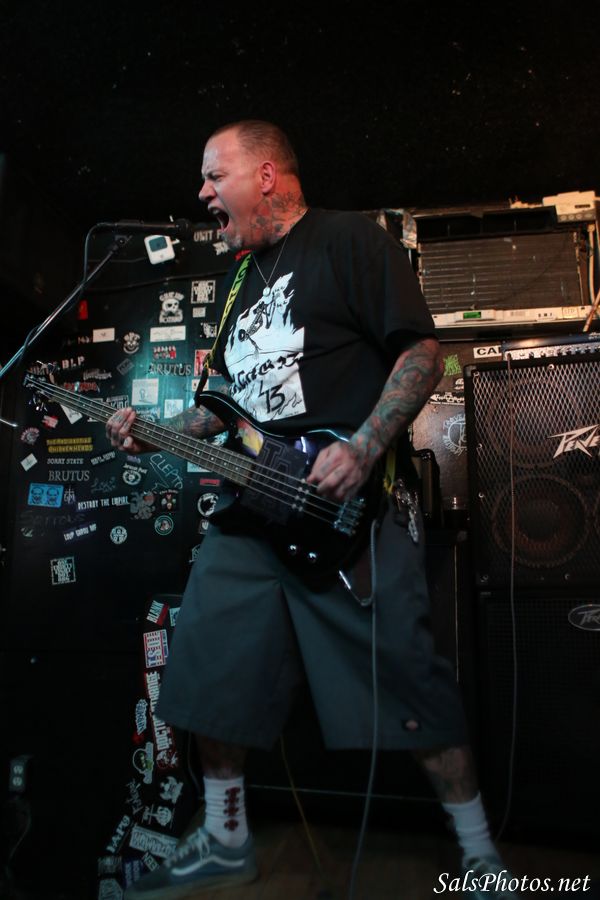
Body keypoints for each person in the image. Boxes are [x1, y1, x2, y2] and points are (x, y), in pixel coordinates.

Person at [106, 120, 519, 900]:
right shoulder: (237, 286)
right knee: (208, 671)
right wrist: (150, 432)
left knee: (410, 681)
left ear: (266, 175)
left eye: (214, 175)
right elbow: (219, 412)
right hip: (250, 515)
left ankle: (478, 855)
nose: (202, 194)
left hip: (344, 509)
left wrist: (364, 446)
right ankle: (227, 838)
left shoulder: (349, 242)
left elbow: (421, 351)